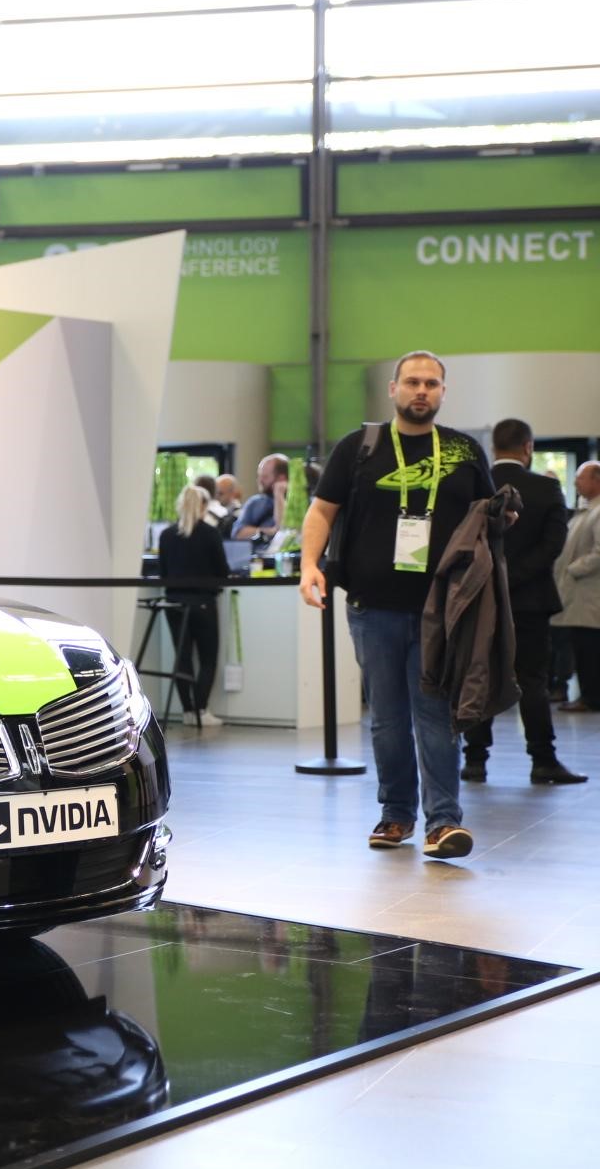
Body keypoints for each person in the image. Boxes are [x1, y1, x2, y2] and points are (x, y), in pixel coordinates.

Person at [297, 351, 496, 860]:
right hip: (373, 607)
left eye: (431, 383)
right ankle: (396, 814)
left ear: (443, 391)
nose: (421, 391)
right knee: (386, 719)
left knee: (435, 715)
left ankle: (443, 822)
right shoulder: (359, 447)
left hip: (441, 611)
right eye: (412, 382)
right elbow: (322, 511)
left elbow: (489, 521)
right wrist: (309, 565)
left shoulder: (465, 450)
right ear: (393, 389)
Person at [462, 420, 584, 785]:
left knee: (479, 677)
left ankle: (475, 761)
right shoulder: (547, 488)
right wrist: (513, 576)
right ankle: (543, 761)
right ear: (528, 447)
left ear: (494, 447)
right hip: (530, 601)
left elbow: (460, 543)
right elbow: (553, 546)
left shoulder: (474, 485)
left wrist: (492, 578)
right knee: (532, 681)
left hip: (480, 598)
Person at [157, 485, 230, 727]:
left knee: (183, 658)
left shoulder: (166, 535)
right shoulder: (210, 534)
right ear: (203, 507)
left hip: (174, 604)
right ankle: (201, 709)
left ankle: (187, 711)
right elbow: (222, 571)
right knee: (208, 658)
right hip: (203, 603)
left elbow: (163, 573)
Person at [551, 461, 600, 716]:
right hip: (579, 595)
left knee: (590, 650)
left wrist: (573, 570)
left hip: (590, 595)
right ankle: (588, 695)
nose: (575, 482)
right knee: (582, 648)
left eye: (581, 478)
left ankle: (591, 698)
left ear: (597, 480)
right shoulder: (587, 510)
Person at [231, 454, 290, 541]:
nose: (260, 481)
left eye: (265, 477)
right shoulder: (255, 503)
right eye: (259, 476)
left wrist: (279, 495)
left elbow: (285, 530)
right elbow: (237, 533)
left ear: (281, 478)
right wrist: (270, 531)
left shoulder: (296, 502)